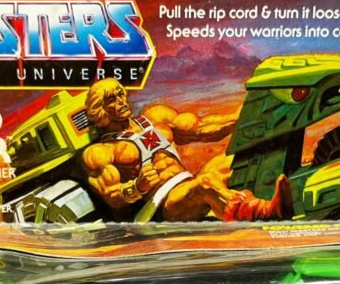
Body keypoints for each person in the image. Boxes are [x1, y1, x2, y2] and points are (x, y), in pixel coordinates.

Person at [81, 78, 291, 222]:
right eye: (111, 100)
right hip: (161, 206)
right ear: (100, 109)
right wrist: (137, 186)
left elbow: (203, 128)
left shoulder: (156, 116)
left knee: (234, 161)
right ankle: (264, 214)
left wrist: (247, 113)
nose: (121, 102)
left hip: (187, 183)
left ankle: (292, 194)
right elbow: (112, 195)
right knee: (205, 184)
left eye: (120, 94)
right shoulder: (100, 151)